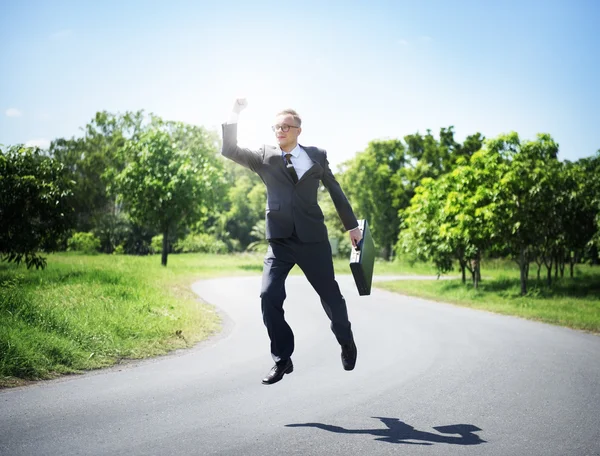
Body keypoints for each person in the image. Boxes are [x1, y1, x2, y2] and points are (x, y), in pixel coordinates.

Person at [222, 99, 362, 385]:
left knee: (332, 298)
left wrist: (352, 226)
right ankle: (282, 359)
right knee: (268, 295)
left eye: (286, 126)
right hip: (280, 242)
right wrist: (235, 112)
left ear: (298, 130)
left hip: (313, 240)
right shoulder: (264, 156)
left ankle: (346, 342)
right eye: (277, 127)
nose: (280, 130)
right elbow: (229, 149)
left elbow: (336, 191)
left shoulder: (317, 156)